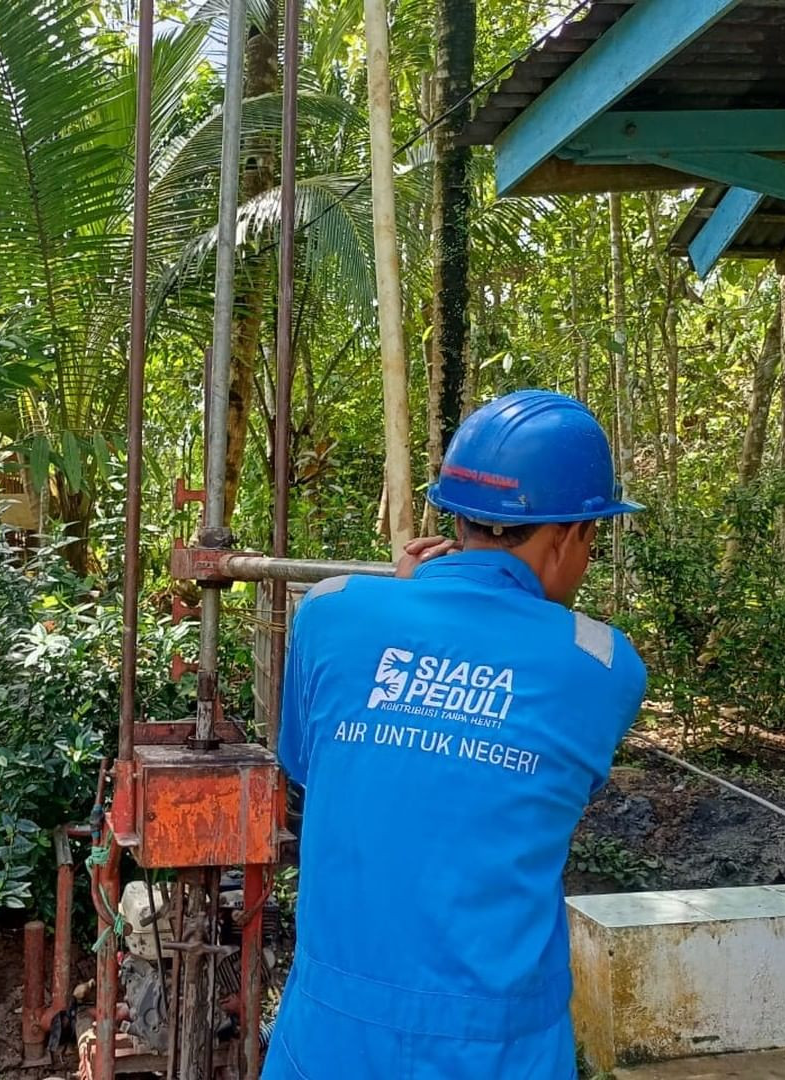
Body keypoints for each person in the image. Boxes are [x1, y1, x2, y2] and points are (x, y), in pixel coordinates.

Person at [263, 390, 647, 1080]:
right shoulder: (603, 664)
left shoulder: (331, 612)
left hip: (329, 1039)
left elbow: (314, 764)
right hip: (499, 1050)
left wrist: (407, 607)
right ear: (568, 537)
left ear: (458, 518)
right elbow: (509, 785)